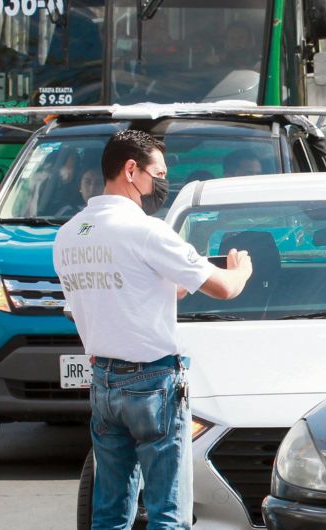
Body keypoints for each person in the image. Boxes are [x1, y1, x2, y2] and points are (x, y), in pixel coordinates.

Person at [53, 130, 254, 530]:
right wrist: (242, 269)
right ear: (131, 170)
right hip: (154, 382)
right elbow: (225, 288)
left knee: (110, 511)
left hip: (104, 382)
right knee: (168, 513)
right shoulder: (147, 231)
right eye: (157, 173)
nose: (161, 183)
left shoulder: (69, 235)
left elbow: (91, 304)